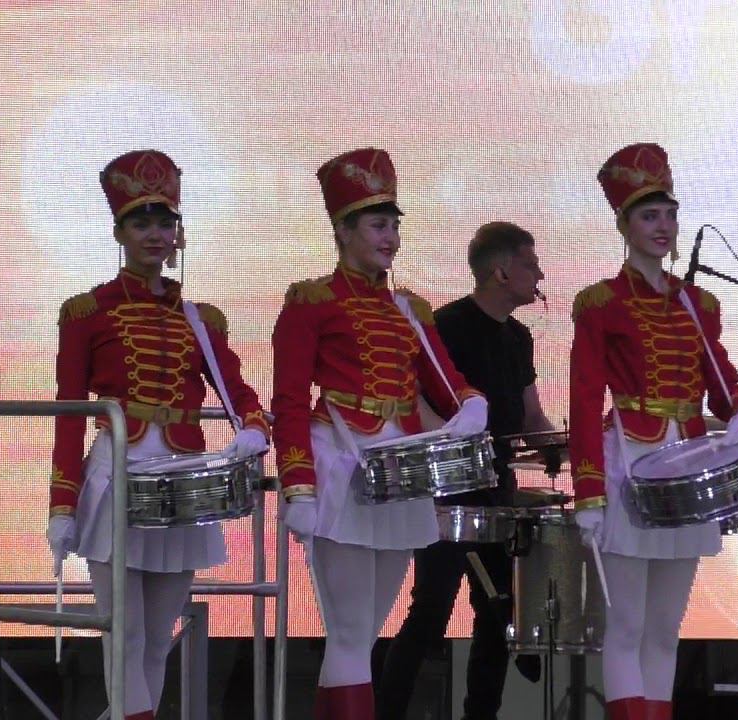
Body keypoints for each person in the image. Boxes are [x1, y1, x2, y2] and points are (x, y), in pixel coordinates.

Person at [45, 149, 271, 720]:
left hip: (182, 479)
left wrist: (253, 428)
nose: (154, 234)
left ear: (178, 234)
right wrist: (62, 504)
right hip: (116, 476)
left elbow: (238, 390)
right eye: (140, 223)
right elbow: (69, 414)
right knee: (123, 634)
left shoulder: (200, 319)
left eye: (164, 222)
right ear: (118, 232)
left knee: (156, 637)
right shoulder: (87, 312)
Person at [271, 147, 488, 720]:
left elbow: (447, 382)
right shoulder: (311, 302)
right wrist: (297, 484)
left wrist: (472, 404)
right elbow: (288, 401)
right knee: (348, 633)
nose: (390, 237)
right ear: (343, 230)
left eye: (394, 225)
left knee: (362, 633)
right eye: (376, 225)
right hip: (339, 464)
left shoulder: (410, 309)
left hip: (399, 471)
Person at [568, 143, 738, 720]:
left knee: (664, 630)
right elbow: (584, 401)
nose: (663, 226)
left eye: (670, 214)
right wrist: (588, 493)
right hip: (630, 461)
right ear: (624, 225)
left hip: (689, 468)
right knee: (626, 626)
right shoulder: (601, 303)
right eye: (649, 215)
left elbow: (721, 381)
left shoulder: (697, 303)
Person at [377, 221, 552, 719]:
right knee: (431, 611)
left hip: (497, 487)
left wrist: (565, 447)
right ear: (501, 271)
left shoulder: (519, 337)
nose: (539, 275)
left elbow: (531, 418)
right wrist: (450, 436)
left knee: (499, 613)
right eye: (531, 264)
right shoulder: (447, 325)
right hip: (447, 487)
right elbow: (410, 395)